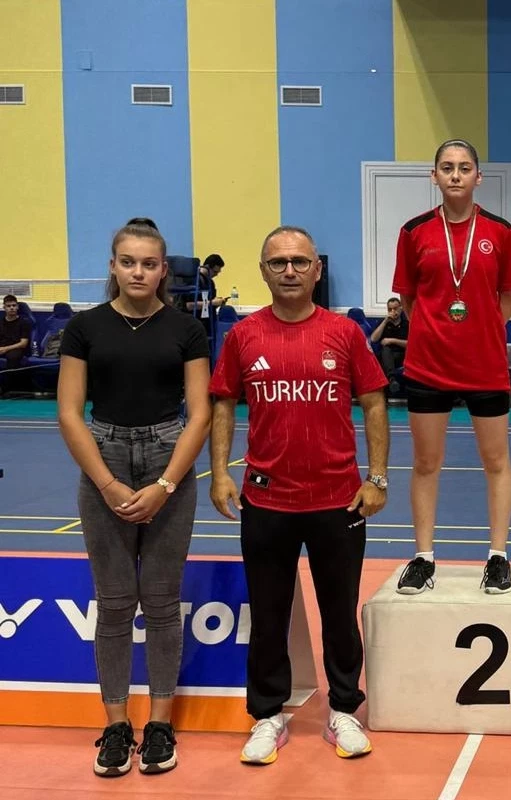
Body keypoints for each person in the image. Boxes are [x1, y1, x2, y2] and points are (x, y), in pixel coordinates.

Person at [208, 226, 390, 764]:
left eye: (300, 262)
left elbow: (374, 403)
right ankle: (268, 715)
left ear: (317, 270)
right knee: (268, 615)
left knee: (339, 612)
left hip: (339, 500)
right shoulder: (242, 336)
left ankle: (343, 710)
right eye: (278, 262)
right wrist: (219, 474)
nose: (289, 271)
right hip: (266, 502)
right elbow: (223, 404)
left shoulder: (345, 333)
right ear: (263, 271)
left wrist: (377, 478)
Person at [56, 220, 211, 776]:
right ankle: (117, 726)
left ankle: (160, 725)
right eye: (128, 262)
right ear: (113, 266)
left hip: (169, 457)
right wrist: (109, 484)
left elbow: (200, 413)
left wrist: (166, 484)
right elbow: (69, 413)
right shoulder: (85, 328)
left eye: (148, 263)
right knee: (116, 602)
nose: (138, 272)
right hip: (106, 459)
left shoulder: (187, 330)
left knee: (163, 602)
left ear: (163, 270)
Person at [390, 138, 511, 595]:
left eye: (464, 167)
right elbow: (409, 299)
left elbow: (508, 299)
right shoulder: (414, 232)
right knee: (426, 462)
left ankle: (498, 556)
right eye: (446, 167)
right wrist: (438, 332)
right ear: (434, 176)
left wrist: (477, 332)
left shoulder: (500, 232)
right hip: (428, 366)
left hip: (486, 365)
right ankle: (424, 558)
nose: (455, 174)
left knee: (496, 461)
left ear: (478, 177)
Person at [369, 296, 409, 395]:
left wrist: (392, 340)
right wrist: (385, 321)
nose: (392, 311)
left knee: (384, 358)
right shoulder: (383, 322)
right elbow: (373, 339)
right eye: (390, 309)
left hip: (402, 355)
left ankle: (386, 391)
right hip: (386, 356)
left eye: (395, 308)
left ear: (401, 308)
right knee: (385, 351)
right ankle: (392, 380)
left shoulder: (407, 323)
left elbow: (411, 344)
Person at [0, 294, 33, 371]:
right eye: (8, 306)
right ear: (4, 308)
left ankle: (10, 379)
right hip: (2, 347)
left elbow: (23, 343)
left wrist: (5, 349)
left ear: (17, 307)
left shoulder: (24, 322)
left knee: (13, 357)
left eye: (14, 305)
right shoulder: (1, 322)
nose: (12, 308)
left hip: (16, 348)